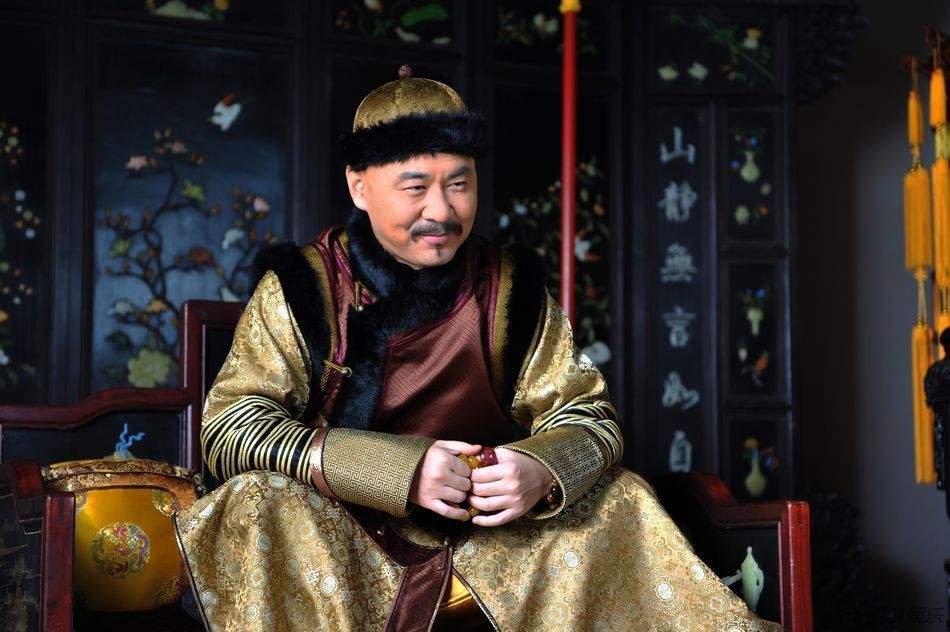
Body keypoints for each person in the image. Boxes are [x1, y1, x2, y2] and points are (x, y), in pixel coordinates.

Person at [173, 66, 782, 632]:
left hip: (487, 539)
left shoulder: (509, 287)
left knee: (620, 495)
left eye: (459, 185)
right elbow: (229, 429)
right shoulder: (304, 286)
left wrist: (539, 469)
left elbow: (591, 419)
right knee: (257, 502)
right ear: (359, 187)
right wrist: (397, 471)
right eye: (415, 187)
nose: (441, 211)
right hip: (341, 539)